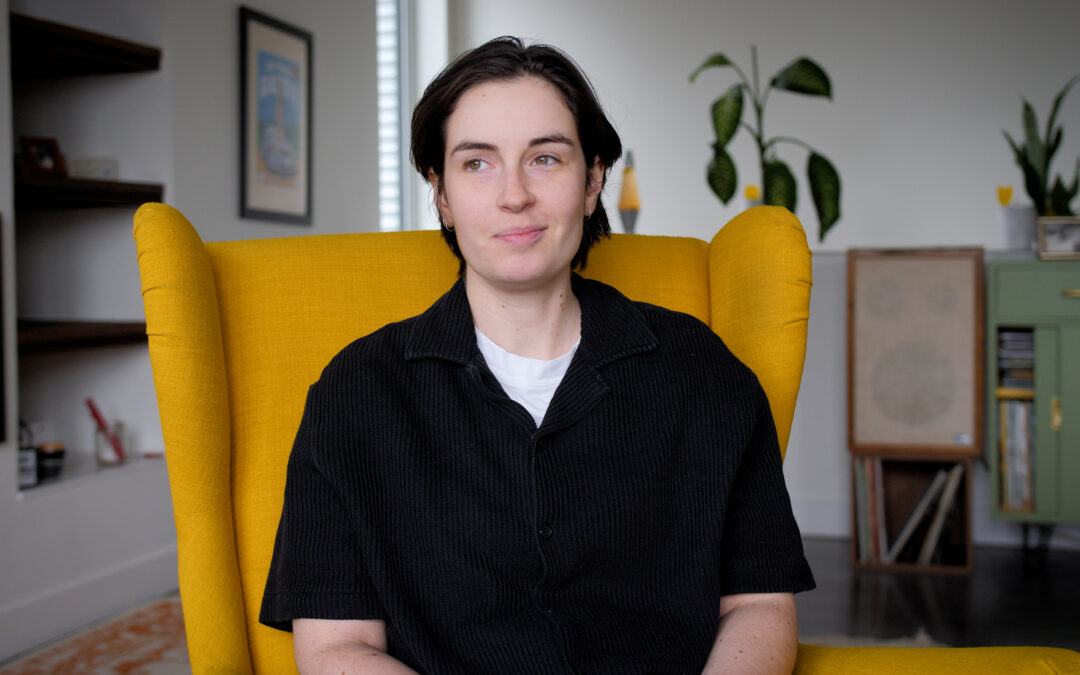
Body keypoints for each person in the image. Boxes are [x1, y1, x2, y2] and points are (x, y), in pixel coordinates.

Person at [260, 36, 815, 674]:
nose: (514, 194)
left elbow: (760, 603)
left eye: (545, 158)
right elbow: (336, 647)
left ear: (593, 181)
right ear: (441, 195)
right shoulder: (357, 392)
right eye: (477, 163)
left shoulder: (701, 370)